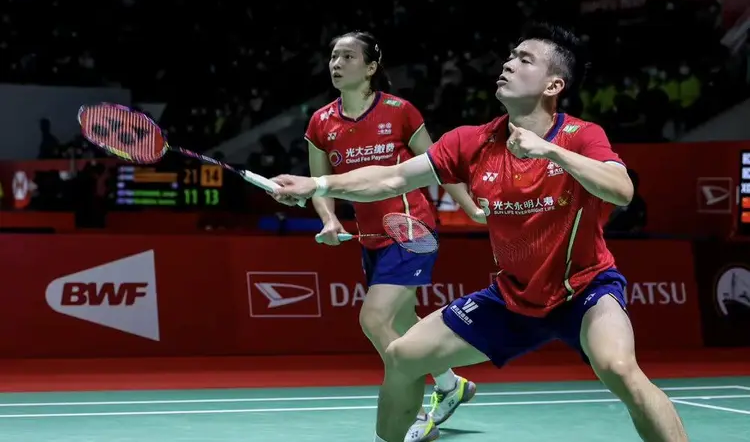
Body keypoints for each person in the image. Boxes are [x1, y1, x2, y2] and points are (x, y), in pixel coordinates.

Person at [271, 22, 689, 442]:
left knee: (619, 367)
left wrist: (550, 151)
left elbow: (621, 190)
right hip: (512, 297)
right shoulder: (471, 141)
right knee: (401, 355)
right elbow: (393, 178)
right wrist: (318, 185)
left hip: (583, 289)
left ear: (553, 85)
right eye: (510, 56)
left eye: (524, 59)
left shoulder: (581, 136)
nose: (508, 64)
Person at [301, 31, 484, 442]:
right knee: (403, 322)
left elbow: (439, 163)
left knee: (374, 319)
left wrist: (470, 207)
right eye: (333, 56)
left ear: (370, 67)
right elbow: (319, 183)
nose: (336, 63)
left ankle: (413, 413)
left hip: (410, 227)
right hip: (370, 238)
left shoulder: (399, 111)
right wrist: (329, 220)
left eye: (348, 56)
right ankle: (450, 384)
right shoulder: (321, 123)